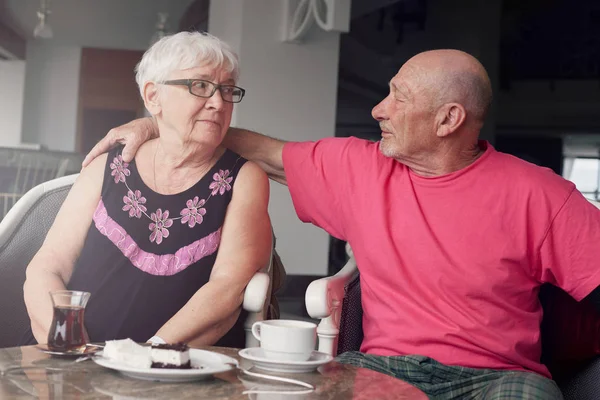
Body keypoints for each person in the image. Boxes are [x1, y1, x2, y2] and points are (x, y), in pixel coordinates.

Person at [84, 49, 600, 399]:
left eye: (399, 97)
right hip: (385, 370)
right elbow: (259, 150)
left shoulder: (541, 195)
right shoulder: (360, 166)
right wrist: (156, 120)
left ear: (449, 120)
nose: (379, 109)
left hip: (500, 380)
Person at [21, 31, 272, 348]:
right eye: (201, 86)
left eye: (226, 89)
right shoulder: (105, 167)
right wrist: (68, 344)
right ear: (153, 96)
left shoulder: (244, 178)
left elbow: (228, 287)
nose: (219, 103)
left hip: (175, 370)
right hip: (76, 358)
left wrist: (147, 356)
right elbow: (48, 266)